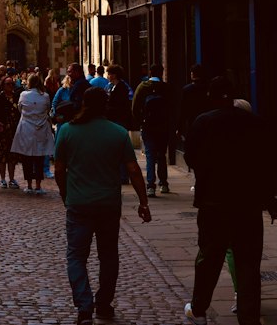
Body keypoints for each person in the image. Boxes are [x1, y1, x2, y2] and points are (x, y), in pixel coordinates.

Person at [182, 76, 277, 325]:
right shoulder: (256, 123)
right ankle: (249, 317)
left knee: (209, 258)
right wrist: (269, 198)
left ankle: (199, 309)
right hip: (247, 204)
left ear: (211, 97)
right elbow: (269, 163)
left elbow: (190, 157)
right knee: (248, 262)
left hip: (213, 202)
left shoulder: (203, 122)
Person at [54, 84, 151, 324]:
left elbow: (59, 169)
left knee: (76, 256)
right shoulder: (117, 133)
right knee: (108, 256)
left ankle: (84, 307)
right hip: (108, 203)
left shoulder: (66, 131)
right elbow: (133, 170)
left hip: (79, 203)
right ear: (105, 106)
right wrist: (143, 202)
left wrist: (65, 193)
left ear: (83, 104)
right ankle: (104, 303)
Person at [11, 71, 55, 194]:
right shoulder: (45, 96)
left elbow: (20, 108)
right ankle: (38, 185)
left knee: (27, 158)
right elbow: (47, 109)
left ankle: (29, 185)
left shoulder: (24, 95)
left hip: (26, 128)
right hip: (40, 128)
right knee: (39, 158)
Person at [133, 64, 171, 195]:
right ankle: (164, 184)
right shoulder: (166, 88)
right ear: (161, 73)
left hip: (148, 126)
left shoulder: (142, 87)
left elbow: (135, 107)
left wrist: (141, 122)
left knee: (150, 155)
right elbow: (173, 107)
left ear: (150, 73)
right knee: (161, 155)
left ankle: (150, 185)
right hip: (163, 126)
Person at [0, 75, 21, 188]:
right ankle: (3, 179)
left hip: (14, 130)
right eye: (8, 84)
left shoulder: (16, 97)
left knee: (12, 156)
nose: (10, 86)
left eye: (12, 84)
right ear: (3, 86)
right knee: (2, 155)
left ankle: (12, 178)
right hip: (3, 130)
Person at [178, 64, 209, 164]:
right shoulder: (208, 88)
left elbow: (183, 110)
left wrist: (180, 127)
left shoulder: (187, 89)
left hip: (192, 123)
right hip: (207, 123)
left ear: (192, 74)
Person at [104, 63, 134, 132]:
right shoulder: (112, 86)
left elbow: (119, 104)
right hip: (115, 118)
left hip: (119, 118)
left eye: (109, 74)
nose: (108, 76)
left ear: (114, 75)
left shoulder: (121, 87)